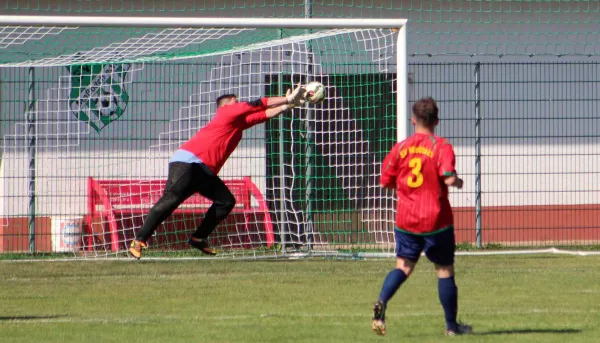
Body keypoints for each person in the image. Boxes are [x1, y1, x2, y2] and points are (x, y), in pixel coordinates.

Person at [128, 85, 306, 259]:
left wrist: (286, 106)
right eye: (236, 103)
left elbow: (262, 115)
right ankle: (139, 241)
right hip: (188, 162)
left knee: (226, 201)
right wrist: (287, 98)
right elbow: (257, 104)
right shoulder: (226, 112)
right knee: (171, 200)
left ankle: (198, 238)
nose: (239, 105)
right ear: (227, 105)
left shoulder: (237, 124)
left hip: (204, 171)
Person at [371, 97, 472, 336]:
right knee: (444, 270)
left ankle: (382, 301)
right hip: (436, 220)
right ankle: (451, 327)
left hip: (407, 220)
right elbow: (448, 177)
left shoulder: (401, 148)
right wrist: (457, 181)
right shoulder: (441, 146)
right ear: (436, 121)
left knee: (404, 266)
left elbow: (385, 182)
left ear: (413, 120)